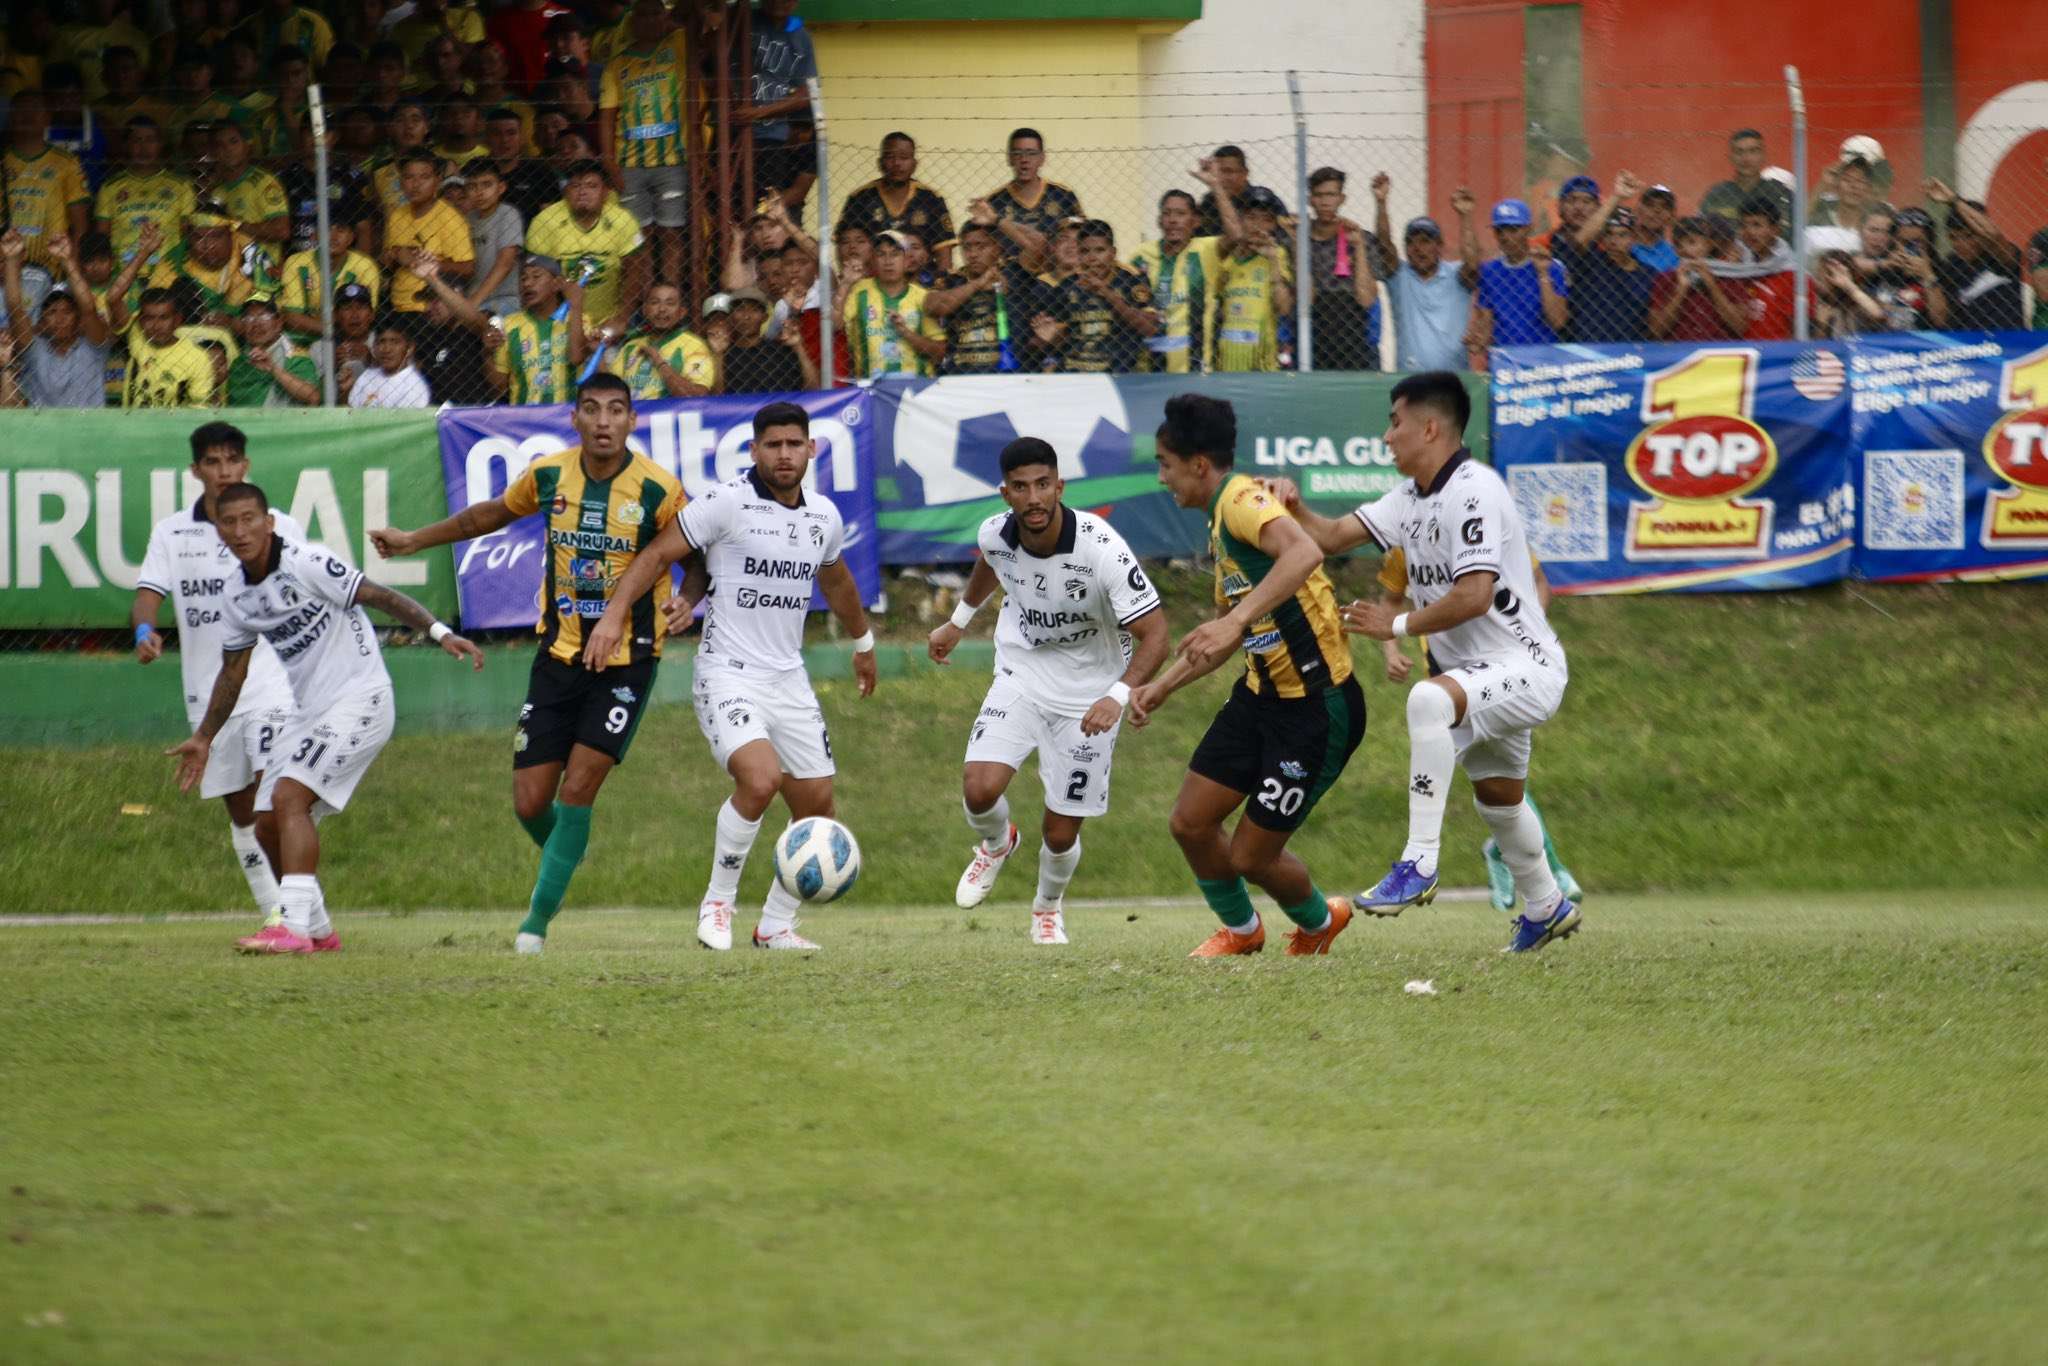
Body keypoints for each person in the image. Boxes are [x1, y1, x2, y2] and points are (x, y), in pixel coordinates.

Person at [370, 374, 687, 953]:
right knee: (530, 802)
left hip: (628, 661)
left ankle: (533, 927)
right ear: (575, 418)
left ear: (632, 421)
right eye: (591, 410)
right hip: (558, 657)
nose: (603, 422)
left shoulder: (660, 491)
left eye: (616, 410)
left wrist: (693, 596)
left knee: (579, 789)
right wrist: (414, 540)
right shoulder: (549, 476)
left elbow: (698, 546)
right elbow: (484, 515)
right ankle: (567, 854)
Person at [1267, 371, 1579, 953]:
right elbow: (1332, 536)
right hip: (1482, 678)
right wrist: (1293, 507)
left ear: (1429, 427)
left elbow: (1475, 594)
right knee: (1500, 801)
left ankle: (1419, 863)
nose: (1388, 436)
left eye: (1395, 422)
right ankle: (1546, 906)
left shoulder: (1475, 489)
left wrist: (1398, 624)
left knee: (1428, 698)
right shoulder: (1410, 498)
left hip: (1526, 666)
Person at [584, 400, 878, 952]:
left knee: (817, 804)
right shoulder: (726, 502)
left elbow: (836, 582)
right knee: (761, 780)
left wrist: (863, 643)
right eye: (773, 445)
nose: (785, 455)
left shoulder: (824, 517)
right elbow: (655, 555)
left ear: (812, 449)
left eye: (795, 444)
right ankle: (717, 904)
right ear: (754, 450)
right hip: (727, 674)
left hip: (788, 679)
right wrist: (614, 615)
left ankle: (775, 925)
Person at [168, 480, 483, 953]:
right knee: (265, 820)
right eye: (228, 522)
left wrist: (440, 633)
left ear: (269, 523)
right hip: (307, 711)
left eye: (249, 519)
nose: (240, 530)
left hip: (361, 697)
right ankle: (316, 930)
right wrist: (204, 736)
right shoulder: (235, 595)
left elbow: (379, 595)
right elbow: (233, 671)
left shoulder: (306, 561)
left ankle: (290, 928)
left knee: (290, 796)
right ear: (219, 531)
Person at [1127, 394, 1365, 958]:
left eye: (1165, 464)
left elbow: (1304, 551)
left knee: (1250, 858)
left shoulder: (1239, 499)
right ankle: (1242, 931)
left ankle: (1318, 921)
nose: (1163, 478)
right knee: (1190, 822)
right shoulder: (1222, 525)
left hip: (1315, 706)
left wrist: (1235, 622)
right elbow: (1220, 633)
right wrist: (1160, 687)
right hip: (1259, 696)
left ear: (1199, 465)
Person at [925, 438, 1168, 944]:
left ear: (1059, 486)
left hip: (1092, 697)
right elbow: (991, 562)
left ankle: (1046, 909)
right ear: (1005, 493)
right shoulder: (995, 534)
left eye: (1042, 485)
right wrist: (957, 622)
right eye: (1020, 487)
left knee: (1060, 834)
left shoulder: (1100, 548)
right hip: (1024, 674)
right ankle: (995, 844)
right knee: (979, 788)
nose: (1033, 497)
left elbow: (1158, 634)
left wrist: (1118, 696)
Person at [134, 423, 306, 935]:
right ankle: (276, 911)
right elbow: (148, 592)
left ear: (246, 466)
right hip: (209, 694)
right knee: (241, 812)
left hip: (272, 683)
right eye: (213, 462)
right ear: (196, 471)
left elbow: (310, 582)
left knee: (270, 799)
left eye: (233, 460)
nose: (224, 471)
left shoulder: (282, 526)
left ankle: (298, 914)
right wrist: (145, 629)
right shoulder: (172, 532)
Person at [1371, 545, 1583, 914]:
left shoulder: (1486, 525)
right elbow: (1387, 603)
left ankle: (1423, 861)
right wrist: (1391, 653)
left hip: (1508, 670)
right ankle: (1547, 900)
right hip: (1452, 680)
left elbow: (1537, 580)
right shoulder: (1405, 546)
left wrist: (1532, 634)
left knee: (1500, 789)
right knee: (1499, 792)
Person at [599, 0, 688, 287]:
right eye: (643, 15)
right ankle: (649, 301)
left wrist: (673, 20)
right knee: (641, 237)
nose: (649, 20)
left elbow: (698, 22)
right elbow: (607, 116)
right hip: (630, 164)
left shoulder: (679, 44)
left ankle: (669, 296)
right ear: (631, 21)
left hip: (672, 161)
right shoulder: (617, 63)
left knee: (671, 233)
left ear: (667, 17)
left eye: (656, 13)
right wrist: (609, 161)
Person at [1369, 174, 1479, 373]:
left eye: (1425, 241)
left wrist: (1465, 216)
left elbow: (1472, 263)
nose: (1418, 248)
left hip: (1454, 378)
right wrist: (1381, 202)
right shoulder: (1399, 276)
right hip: (1410, 380)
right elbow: (1384, 245)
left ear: (1439, 246)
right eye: (1411, 242)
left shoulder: (1455, 275)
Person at [525, 158, 647, 337]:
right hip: (558, 320)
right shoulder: (544, 221)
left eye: (591, 186)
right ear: (566, 192)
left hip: (609, 318)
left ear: (606, 192)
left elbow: (636, 272)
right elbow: (534, 278)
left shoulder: (623, 220)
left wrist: (622, 318)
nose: (582, 192)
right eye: (575, 186)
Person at [2, 230, 111, 407]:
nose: (60, 318)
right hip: (45, 433)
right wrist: (12, 259)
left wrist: (67, 260)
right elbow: (15, 309)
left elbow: (89, 309)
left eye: (67, 312)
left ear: (78, 319)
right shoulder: (34, 350)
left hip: (90, 431)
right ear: (42, 322)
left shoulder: (94, 347)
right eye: (52, 312)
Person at [925, 220, 1043, 375]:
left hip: (1009, 372)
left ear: (998, 247)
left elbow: (1039, 244)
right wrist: (978, 284)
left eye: (981, 246)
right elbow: (932, 306)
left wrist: (996, 219)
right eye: (967, 248)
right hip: (961, 373)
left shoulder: (1013, 272)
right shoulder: (954, 280)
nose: (973, 254)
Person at [1036, 220, 1155, 373]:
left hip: (1119, 376)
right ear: (1078, 254)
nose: (1092, 258)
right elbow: (1058, 340)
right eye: (1085, 251)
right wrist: (1049, 337)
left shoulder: (1131, 281)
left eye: (1099, 250)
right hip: (1075, 374)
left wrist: (1106, 293)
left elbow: (1150, 329)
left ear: (1112, 253)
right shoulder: (1066, 287)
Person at [1128, 188, 1224, 374]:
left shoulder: (1207, 249)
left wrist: (1215, 185)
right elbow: (1123, 293)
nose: (1172, 220)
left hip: (1197, 368)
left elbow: (1236, 235)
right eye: (1167, 213)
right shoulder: (1140, 255)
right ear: (1159, 221)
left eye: (1180, 214)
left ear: (1195, 221)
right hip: (1149, 369)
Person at [735, 0, 819, 211]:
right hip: (732, 130)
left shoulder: (800, 36)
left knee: (762, 211)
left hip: (771, 137)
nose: (778, 2)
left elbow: (806, 92)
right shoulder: (741, 19)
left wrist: (759, 113)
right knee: (727, 206)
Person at [93, 115, 192, 286]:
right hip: (123, 274)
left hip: (169, 274)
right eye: (136, 140)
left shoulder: (181, 186)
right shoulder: (110, 187)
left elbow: (187, 235)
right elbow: (102, 237)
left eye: (150, 140)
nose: (143, 147)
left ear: (161, 144)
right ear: (126, 145)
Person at [1300, 166, 1379, 370]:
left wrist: (1359, 248)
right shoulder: (1298, 238)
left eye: (1331, 195)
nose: (1325, 202)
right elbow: (1303, 298)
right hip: (1311, 330)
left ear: (1342, 198)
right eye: (1318, 195)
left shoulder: (1363, 238)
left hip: (1353, 336)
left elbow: (1366, 298)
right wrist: (1296, 242)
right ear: (1310, 200)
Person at [1468, 198, 1568, 358]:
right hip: (1504, 361)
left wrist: (1542, 273)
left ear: (1529, 229)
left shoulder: (1552, 267)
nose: (1505, 236)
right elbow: (1486, 324)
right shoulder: (1489, 270)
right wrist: (1477, 340)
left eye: (1513, 229)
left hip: (1542, 361)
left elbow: (1557, 321)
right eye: (1499, 230)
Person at [841, 229, 945, 379]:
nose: (888, 261)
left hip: (916, 389)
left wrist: (906, 333)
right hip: (870, 389)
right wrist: (845, 284)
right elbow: (833, 325)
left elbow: (940, 352)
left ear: (907, 260)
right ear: (873, 260)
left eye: (895, 254)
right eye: (881, 254)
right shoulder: (859, 291)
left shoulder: (922, 297)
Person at [1212, 187, 1293, 372]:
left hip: (1263, 360)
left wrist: (1272, 260)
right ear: (1239, 220)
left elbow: (1284, 307)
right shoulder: (1228, 260)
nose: (1258, 226)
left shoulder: (1278, 254)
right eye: (1251, 217)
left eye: (1266, 220)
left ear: (1274, 226)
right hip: (1227, 359)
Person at [383, 151, 475, 313]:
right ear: (401, 182)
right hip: (397, 304)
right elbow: (388, 262)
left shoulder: (449, 218)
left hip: (432, 309)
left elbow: (468, 268)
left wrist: (432, 264)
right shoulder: (397, 215)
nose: (416, 184)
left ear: (437, 181)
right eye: (409, 177)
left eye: (424, 177)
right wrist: (397, 255)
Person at [277, 206, 383, 341]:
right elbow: (291, 317)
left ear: (351, 237)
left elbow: (365, 318)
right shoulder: (296, 262)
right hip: (301, 340)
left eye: (341, 229)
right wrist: (334, 331)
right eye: (326, 229)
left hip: (349, 340)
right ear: (314, 235)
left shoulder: (365, 266)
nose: (333, 237)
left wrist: (313, 322)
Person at [1929, 181, 2024, 331]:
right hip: (1972, 345)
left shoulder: (2000, 256)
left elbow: (1991, 234)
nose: (1960, 244)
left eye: (1968, 236)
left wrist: (1953, 200)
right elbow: (1941, 320)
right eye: (1953, 238)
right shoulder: (1951, 266)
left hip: (2011, 343)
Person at [841, 132, 954, 257]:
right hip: (873, 274)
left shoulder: (931, 199)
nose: (896, 163)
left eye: (904, 157)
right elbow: (844, 247)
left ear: (914, 164)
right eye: (890, 157)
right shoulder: (860, 199)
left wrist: (942, 277)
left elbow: (944, 253)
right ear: (880, 163)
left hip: (921, 275)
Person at [985, 127, 1081, 267]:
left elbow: (1084, 238)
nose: (1024, 160)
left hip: (1055, 276)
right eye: (1018, 153)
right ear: (1009, 158)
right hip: (1012, 278)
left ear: (1042, 158)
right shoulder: (994, 202)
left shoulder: (1062, 196)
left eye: (1031, 153)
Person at [1648, 217, 1750, 341]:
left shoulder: (1730, 277)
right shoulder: (1665, 278)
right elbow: (1656, 331)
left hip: (1719, 352)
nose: (1684, 249)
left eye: (1692, 242)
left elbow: (1740, 327)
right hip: (1677, 352)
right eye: (1678, 245)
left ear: (1709, 245)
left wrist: (1712, 286)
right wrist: (1681, 291)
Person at [209, 118, 289, 273]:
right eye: (220, 145)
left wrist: (236, 225)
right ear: (213, 152)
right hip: (229, 273)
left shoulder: (264, 182)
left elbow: (281, 230)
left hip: (263, 272)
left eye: (234, 142)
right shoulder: (218, 191)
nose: (228, 149)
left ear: (247, 146)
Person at [1567, 207, 1653, 342]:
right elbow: (1577, 242)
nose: (1614, 241)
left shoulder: (1648, 274)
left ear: (1634, 238)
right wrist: (1617, 196)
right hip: (1588, 350)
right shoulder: (1589, 263)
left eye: (1622, 235)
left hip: (1629, 353)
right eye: (1609, 234)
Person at [124, 286, 217, 406]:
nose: (156, 326)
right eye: (149, 319)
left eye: (164, 318)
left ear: (177, 320)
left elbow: (199, 408)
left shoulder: (197, 358)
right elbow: (113, 298)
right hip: (128, 423)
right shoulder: (137, 338)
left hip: (172, 424)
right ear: (140, 321)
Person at [224, 294, 320, 405]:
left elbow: (313, 397)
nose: (255, 324)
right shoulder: (239, 364)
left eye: (263, 317)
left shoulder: (296, 357)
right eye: (249, 318)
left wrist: (273, 369)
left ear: (278, 322)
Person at [1735, 196, 1804, 340]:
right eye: (1743, 225)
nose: (1749, 232)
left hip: (1776, 356)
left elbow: (1797, 331)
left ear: (1775, 230)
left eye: (1756, 225)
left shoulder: (1792, 274)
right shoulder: (1734, 267)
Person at [1702, 128, 1792, 229]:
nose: (1746, 158)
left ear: (1763, 155)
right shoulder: (1716, 194)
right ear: (1730, 157)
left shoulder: (1779, 192)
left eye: (1753, 151)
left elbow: (1787, 232)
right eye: (1739, 152)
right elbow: (1702, 230)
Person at [485, 105, 561, 225]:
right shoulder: (476, 169)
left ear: (522, 138)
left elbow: (550, 219)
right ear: (487, 139)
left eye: (511, 133)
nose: (504, 140)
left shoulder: (540, 172)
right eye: (496, 134)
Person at [348, 319, 431, 407]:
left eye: (395, 342)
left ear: (409, 348)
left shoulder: (414, 386)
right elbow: (350, 414)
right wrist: (345, 391)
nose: (387, 349)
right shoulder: (367, 376)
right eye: (382, 341)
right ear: (374, 347)